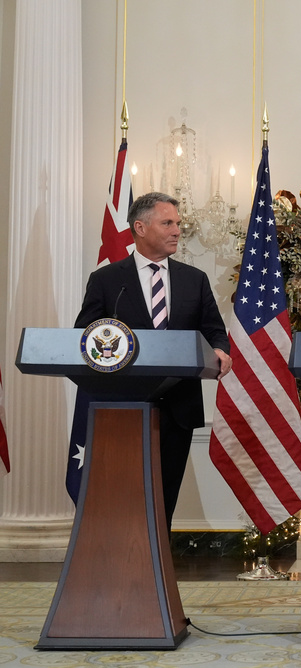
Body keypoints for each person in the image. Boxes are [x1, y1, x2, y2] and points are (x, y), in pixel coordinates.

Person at [74, 192, 232, 529]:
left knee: (164, 501)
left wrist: (220, 350)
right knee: (123, 500)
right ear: (140, 227)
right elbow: (82, 337)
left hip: (178, 408)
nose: (177, 230)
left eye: (177, 223)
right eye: (168, 223)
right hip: (122, 407)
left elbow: (214, 331)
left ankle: (160, 573)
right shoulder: (106, 281)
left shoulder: (195, 279)